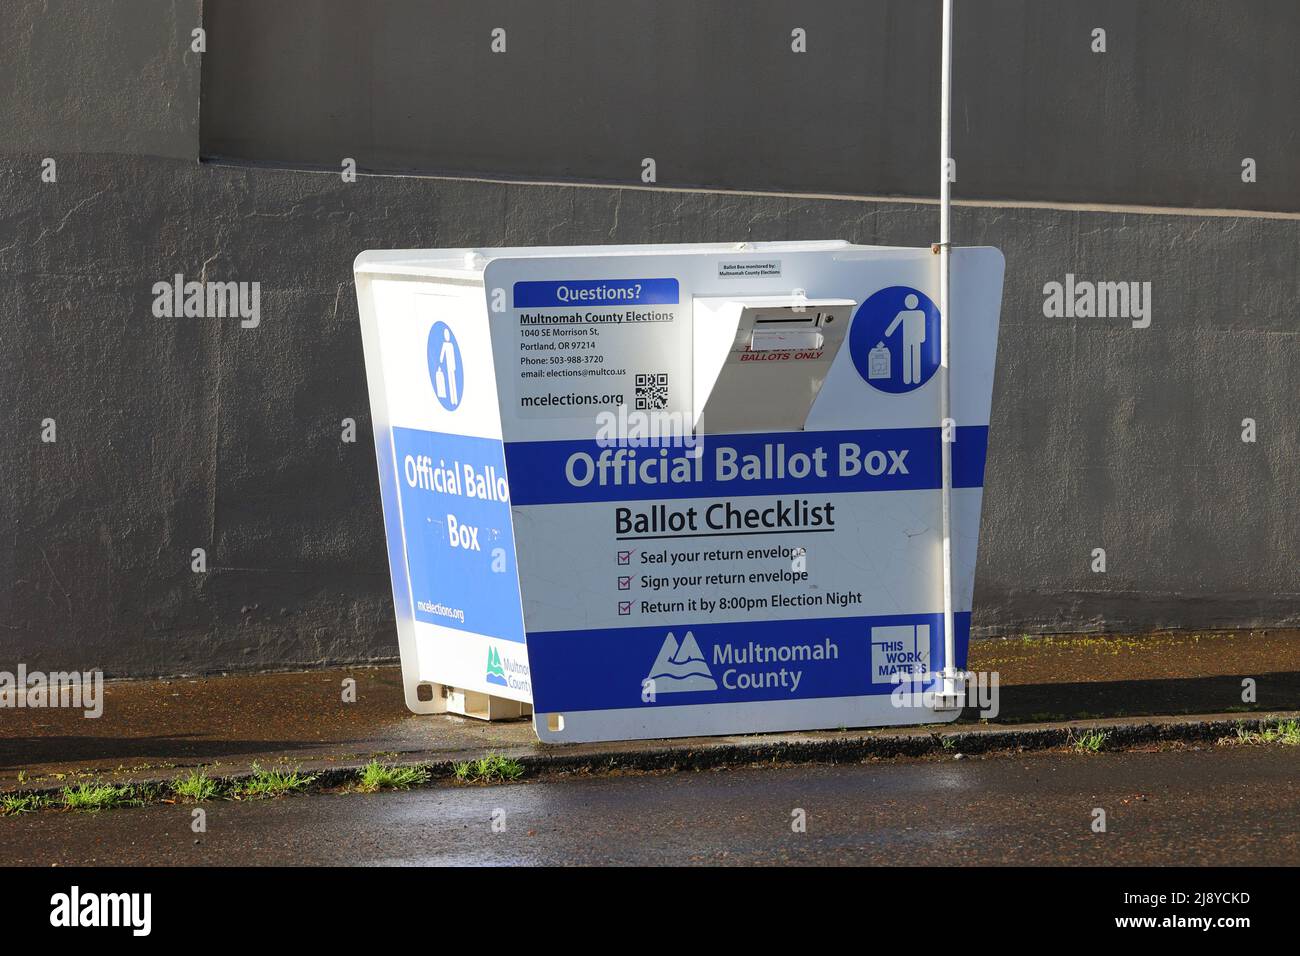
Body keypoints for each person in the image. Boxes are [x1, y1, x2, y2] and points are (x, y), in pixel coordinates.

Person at [884, 293, 927, 385]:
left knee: (910, 357)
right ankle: (911, 378)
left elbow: (922, 326)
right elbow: (894, 324)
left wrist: (888, 333)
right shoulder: (919, 313)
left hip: (910, 340)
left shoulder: (916, 313)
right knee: (912, 357)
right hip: (912, 340)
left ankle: (912, 378)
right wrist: (888, 333)